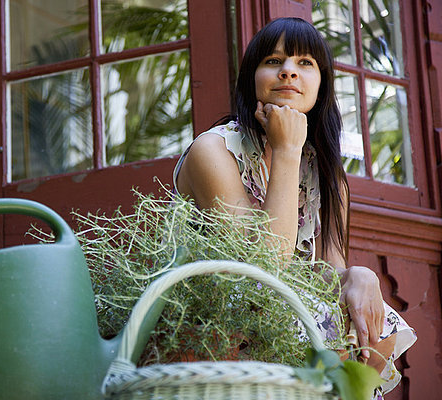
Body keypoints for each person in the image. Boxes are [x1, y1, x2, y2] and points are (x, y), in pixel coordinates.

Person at [172, 17, 416, 397]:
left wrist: (358, 275)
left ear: (322, 84)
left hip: (293, 328)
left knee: (372, 320)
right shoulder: (214, 151)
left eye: (305, 63)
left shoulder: (327, 174)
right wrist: (286, 150)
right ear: (252, 79)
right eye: (273, 61)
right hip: (220, 330)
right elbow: (261, 271)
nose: (288, 71)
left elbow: (326, 273)